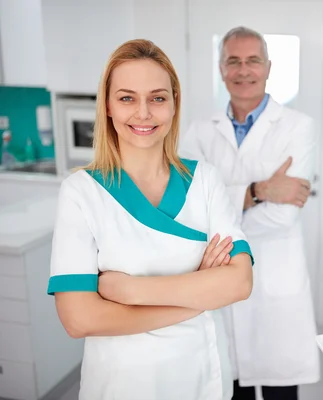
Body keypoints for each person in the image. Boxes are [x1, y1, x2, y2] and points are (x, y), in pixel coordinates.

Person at [47, 38, 253, 400]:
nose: (143, 113)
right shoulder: (81, 192)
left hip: (202, 376)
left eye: (157, 98)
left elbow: (238, 283)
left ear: (174, 104)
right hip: (123, 384)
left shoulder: (204, 180)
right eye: (127, 98)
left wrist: (130, 292)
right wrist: (200, 293)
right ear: (108, 106)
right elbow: (78, 319)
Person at [179, 26, 319, 400]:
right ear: (221, 69)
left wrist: (222, 206)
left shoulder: (297, 128)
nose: (244, 71)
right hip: (221, 279)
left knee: (280, 390)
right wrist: (260, 191)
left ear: (268, 67)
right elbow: (190, 209)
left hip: (274, 274)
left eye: (253, 61)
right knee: (230, 385)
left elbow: (283, 217)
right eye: (233, 61)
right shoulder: (198, 132)